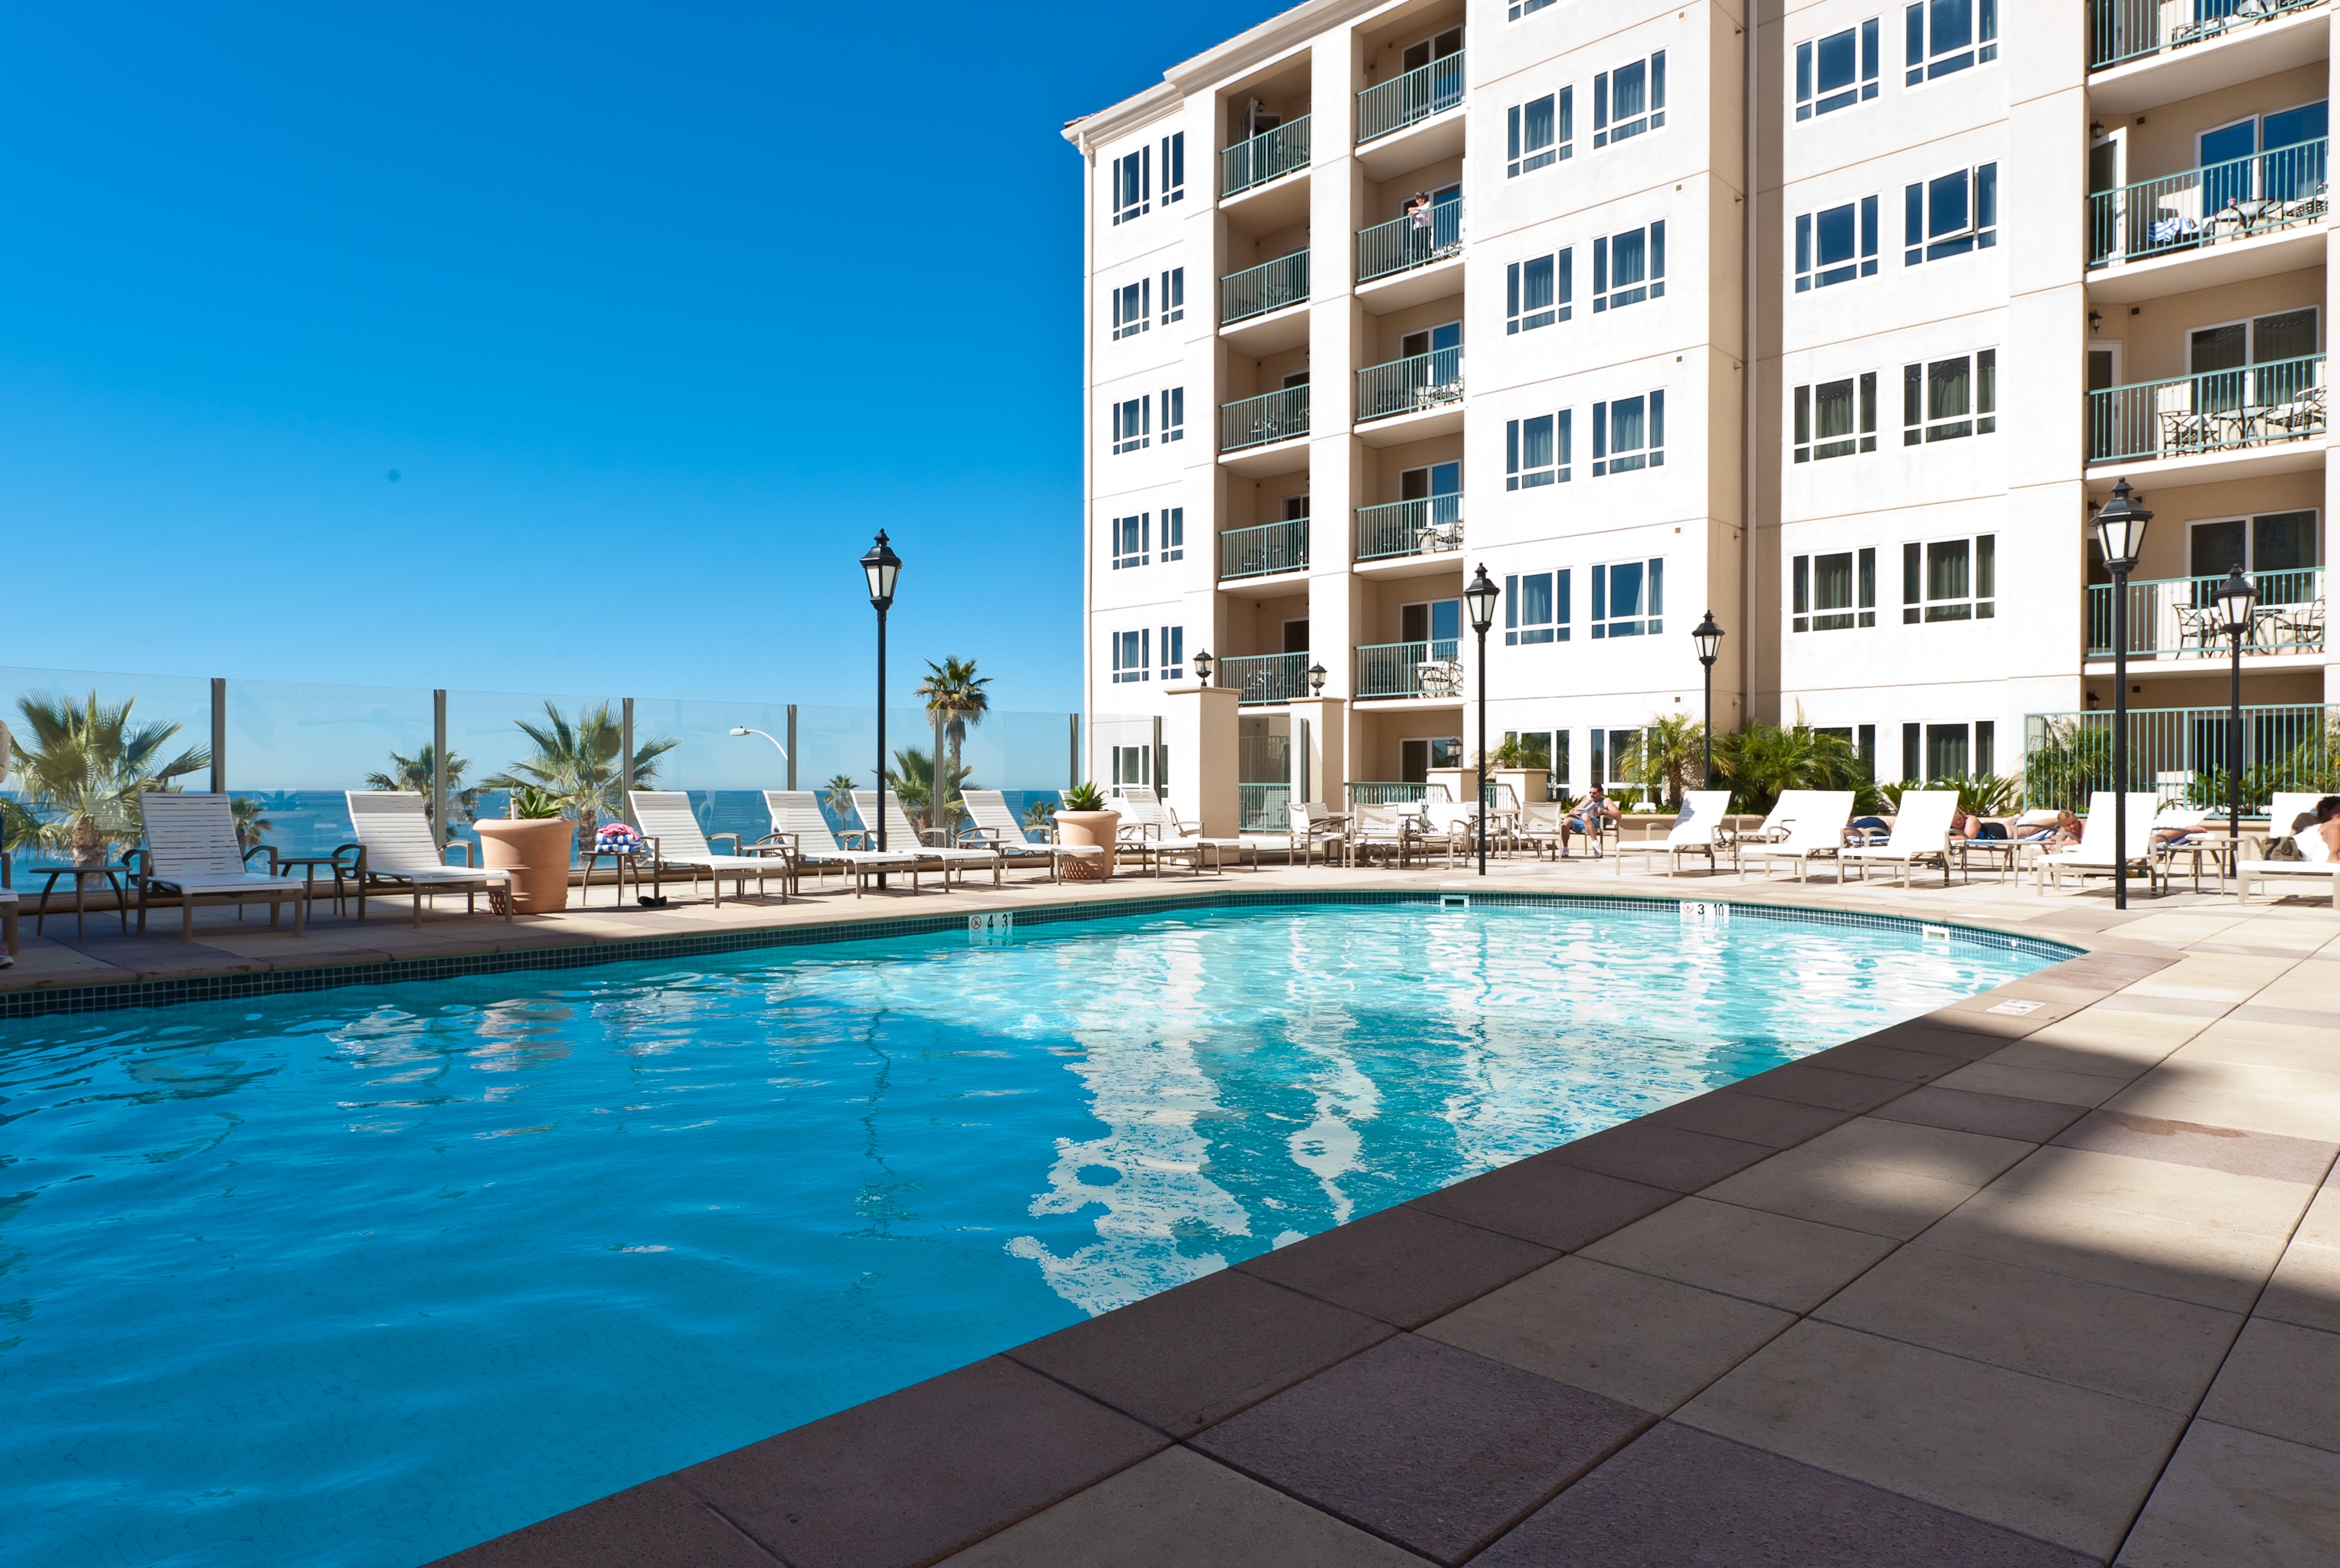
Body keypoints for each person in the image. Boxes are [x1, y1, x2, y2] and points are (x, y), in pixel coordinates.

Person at [1564, 785, 1617, 858]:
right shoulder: (1587, 801)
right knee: (1565, 822)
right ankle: (1565, 849)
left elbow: (1618, 815)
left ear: (1601, 793)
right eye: (1590, 793)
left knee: (1585, 816)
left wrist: (1604, 811)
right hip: (1584, 822)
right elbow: (1571, 811)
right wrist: (1575, 813)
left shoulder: (1606, 801)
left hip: (1597, 823)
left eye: (1594, 793)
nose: (1592, 795)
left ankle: (1595, 844)